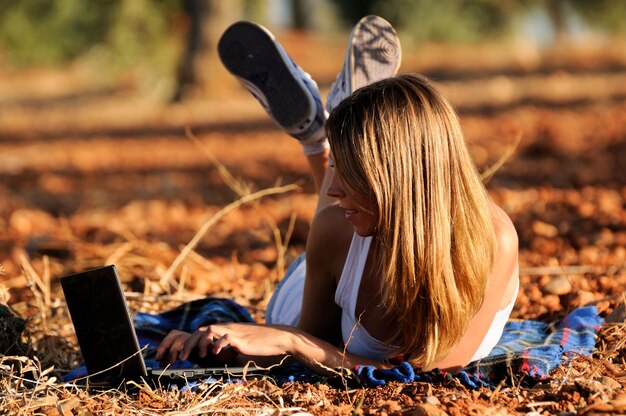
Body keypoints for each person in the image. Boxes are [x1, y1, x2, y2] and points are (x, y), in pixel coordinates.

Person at [156, 16, 520, 374]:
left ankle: (322, 141)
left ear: (397, 178)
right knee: (330, 217)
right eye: (338, 171)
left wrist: (291, 341)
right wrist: (226, 350)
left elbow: (433, 375)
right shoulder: (333, 229)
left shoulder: (491, 242)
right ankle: (328, 136)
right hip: (329, 263)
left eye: (349, 175)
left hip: (367, 232)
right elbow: (313, 345)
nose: (330, 189)